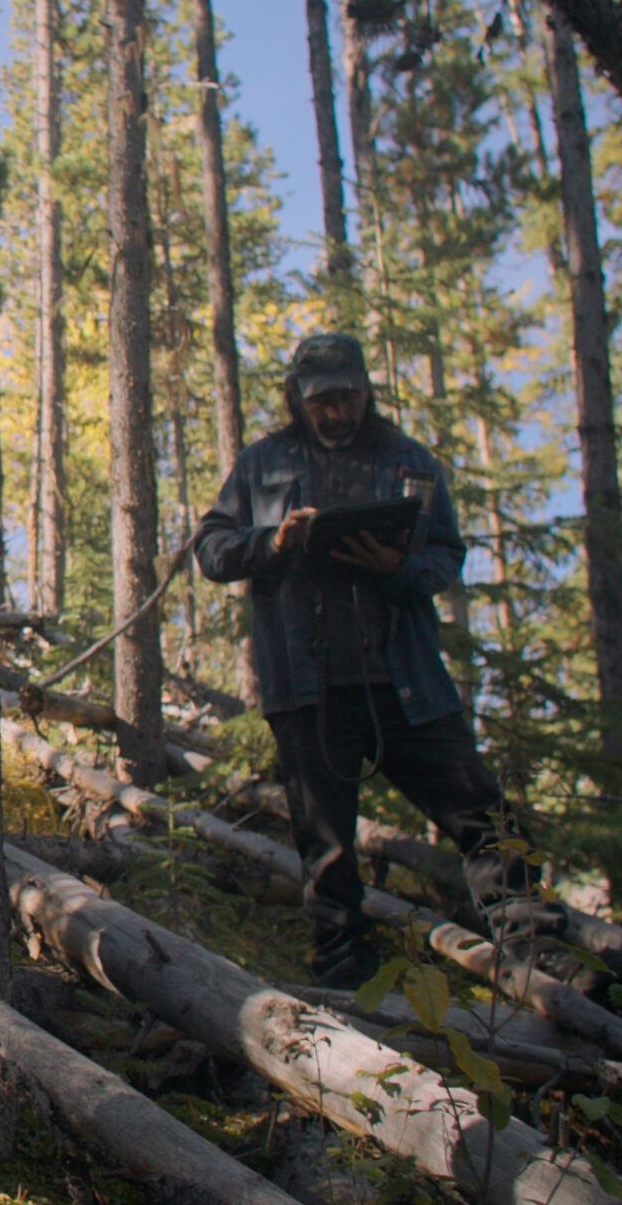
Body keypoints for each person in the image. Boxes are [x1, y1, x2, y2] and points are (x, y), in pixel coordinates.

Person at [190, 331, 538, 990]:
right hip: (307, 682)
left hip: (404, 682)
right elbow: (211, 548)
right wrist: (273, 542)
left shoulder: (410, 461)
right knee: (326, 847)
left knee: (484, 815)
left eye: (348, 396)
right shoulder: (264, 463)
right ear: (298, 398)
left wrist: (399, 567)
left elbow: (446, 556)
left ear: (367, 392)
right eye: (322, 400)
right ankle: (345, 974)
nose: (337, 411)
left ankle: (534, 953)